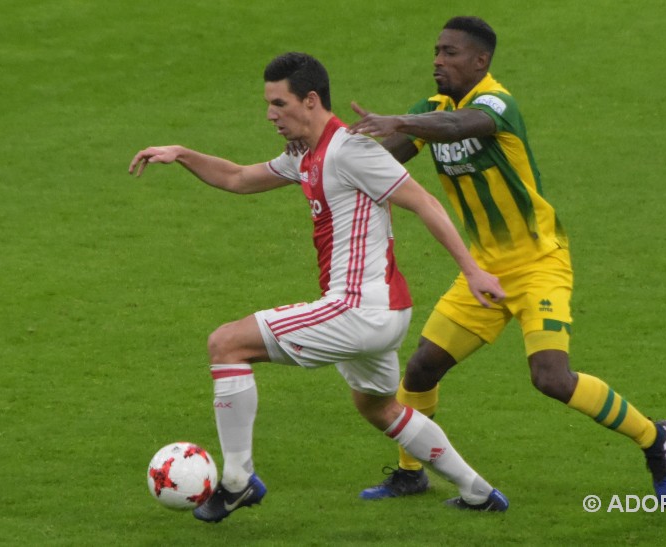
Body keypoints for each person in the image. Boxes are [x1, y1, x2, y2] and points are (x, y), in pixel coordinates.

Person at [128, 52, 511, 522]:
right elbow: (239, 177)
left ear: (310, 100)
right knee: (378, 407)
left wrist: (472, 271)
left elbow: (425, 202)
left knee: (226, 344)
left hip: (357, 308)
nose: (270, 114)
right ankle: (478, 490)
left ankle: (236, 481)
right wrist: (182, 154)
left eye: (279, 103)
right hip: (383, 311)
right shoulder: (304, 155)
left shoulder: (351, 150)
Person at [347, 16, 666, 503]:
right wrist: (326, 148)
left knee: (551, 378)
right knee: (421, 368)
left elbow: (460, 125)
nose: (439, 61)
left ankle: (655, 437)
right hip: (483, 271)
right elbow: (387, 158)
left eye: (451, 53)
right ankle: (410, 473)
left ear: (481, 61)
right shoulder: (432, 108)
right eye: (436, 52)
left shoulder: (495, 103)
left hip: (538, 261)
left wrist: (401, 120)